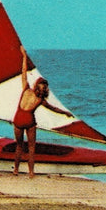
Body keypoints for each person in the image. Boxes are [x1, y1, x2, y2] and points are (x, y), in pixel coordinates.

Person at [13, 45, 74, 178]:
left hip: (18, 120)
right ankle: (31, 172)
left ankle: (16, 170)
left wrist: (24, 56)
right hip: (29, 122)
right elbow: (54, 108)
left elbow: (23, 71)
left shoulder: (26, 89)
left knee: (19, 146)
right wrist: (66, 113)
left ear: (35, 86)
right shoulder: (40, 100)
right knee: (31, 148)